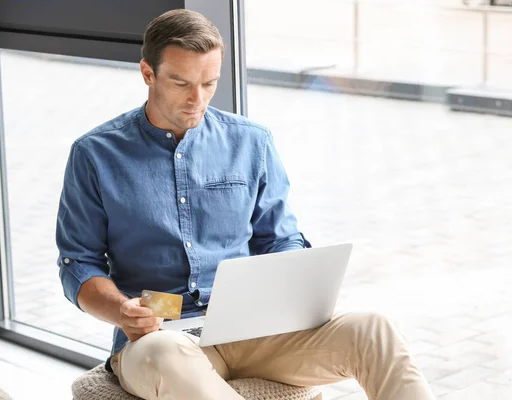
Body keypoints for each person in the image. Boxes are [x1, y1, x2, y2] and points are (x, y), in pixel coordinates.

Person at [55, 8, 434, 400]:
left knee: (374, 328)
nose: (195, 99)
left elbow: (281, 239)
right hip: (157, 340)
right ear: (148, 74)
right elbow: (77, 263)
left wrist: (295, 283)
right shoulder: (94, 155)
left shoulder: (251, 142)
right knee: (164, 354)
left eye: (209, 83)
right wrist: (122, 311)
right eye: (181, 83)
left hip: (252, 331)